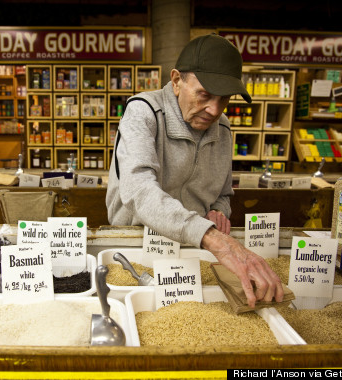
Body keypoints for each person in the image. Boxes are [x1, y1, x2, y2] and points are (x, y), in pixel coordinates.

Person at [106, 33, 284, 308]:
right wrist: (213, 237)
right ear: (177, 81)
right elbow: (139, 192)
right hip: (137, 249)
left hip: (192, 252)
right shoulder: (142, 112)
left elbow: (223, 195)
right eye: (204, 95)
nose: (215, 110)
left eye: (224, 99)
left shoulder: (223, 129)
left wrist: (219, 213)